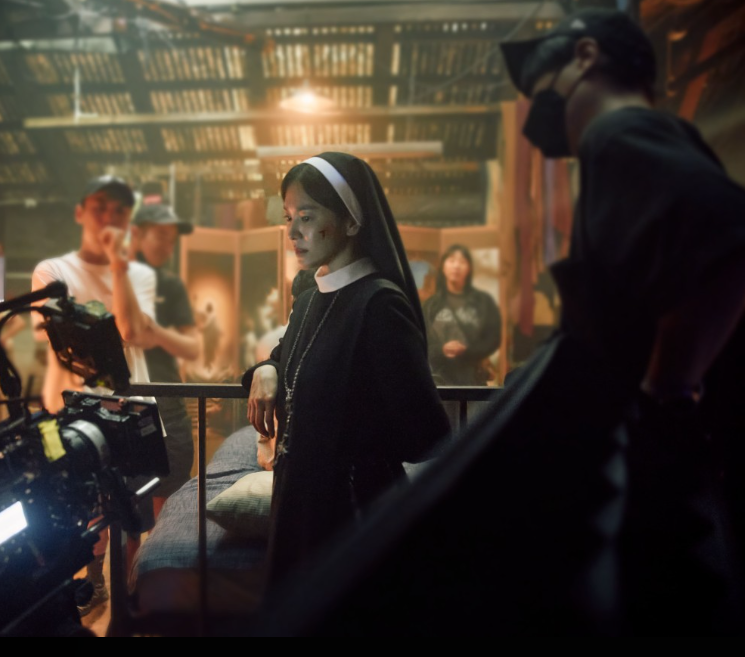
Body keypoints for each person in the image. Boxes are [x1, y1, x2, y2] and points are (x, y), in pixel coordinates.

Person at [498, 8, 745, 634]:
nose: (540, 114)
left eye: (544, 91)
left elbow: (727, 243)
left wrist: (667, 391)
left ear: (586, 57)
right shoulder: (656, 135)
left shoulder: (617, 134)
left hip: (673, 463)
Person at [243, 152, 452, 598]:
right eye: (288, 218)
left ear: (352, 221)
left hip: (352, 514)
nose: (293, 232)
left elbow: (427, 433)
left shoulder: (379, 304)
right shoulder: (310, 298)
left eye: (307, 216)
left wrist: (351, 438)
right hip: (297, 504)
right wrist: (267, 367)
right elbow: (292, 356)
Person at [31, 174, 159, 617]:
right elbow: (59, 341)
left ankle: (127, 596)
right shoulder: (52, 272)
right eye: (100, 206)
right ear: (80, 212)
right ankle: (89, 582)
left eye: (120, 210)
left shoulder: (139, 274)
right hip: (66, 412)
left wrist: (119, 268)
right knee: (74, 508)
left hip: (128, 412)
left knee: (131, 511)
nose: (109, 216)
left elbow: (131, 331)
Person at [127, 201, 199, 520]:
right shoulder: (112, 280)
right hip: (120, 398)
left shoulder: (170, 285)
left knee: (169, 493)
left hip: (166, 399)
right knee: (121, 503)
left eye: (172, 240)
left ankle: (159, 552)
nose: (167, 246)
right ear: (137, 234)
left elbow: (192, 347)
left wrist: (155, 333)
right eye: (160, 236)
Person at [422, 244, 502, 386]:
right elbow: (423, 343)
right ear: (443, 267)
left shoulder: (482, 302)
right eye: (452, 260)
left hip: (474, 381)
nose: (456, 266)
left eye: (462, 261)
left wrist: (468, 350)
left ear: (469, 268)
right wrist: (442, 349)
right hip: (440, 382)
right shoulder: (430, 306)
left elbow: (493, 339)